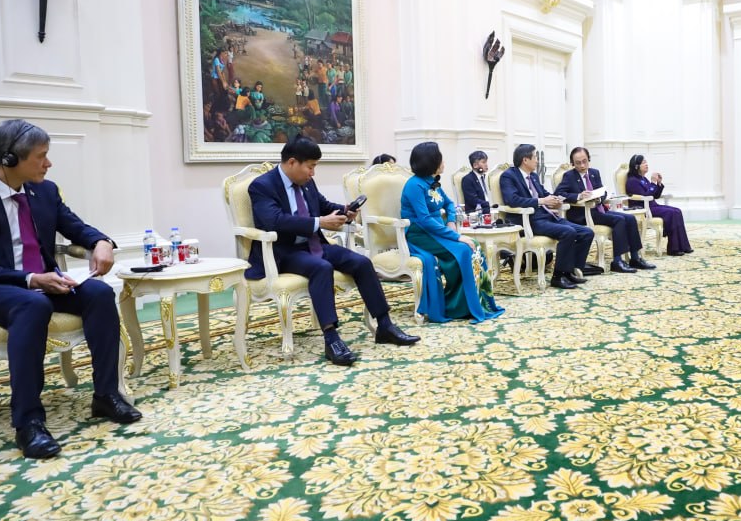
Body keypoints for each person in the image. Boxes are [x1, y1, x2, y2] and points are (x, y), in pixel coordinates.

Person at [0, 119, 140, 459]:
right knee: (33, 305)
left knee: (100, 294)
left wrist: (102, 242)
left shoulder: (44, 191)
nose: (48, 163)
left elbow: (75, 226)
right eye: (41, 156)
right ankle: (28, 422)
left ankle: (106, 395)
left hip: (42, 283)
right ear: (10, 159)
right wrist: (31, 280)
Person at [247, 136, 420, 365]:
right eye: (310, 167)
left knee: (362, 262)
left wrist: (345, 211)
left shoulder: (306, 182)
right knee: (321, 267)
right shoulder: (262, 186)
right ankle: (331, 339)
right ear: (292, 162)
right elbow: (274, 221)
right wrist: (320, 222)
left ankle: (385, 325)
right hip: (283, 252)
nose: (313, 173)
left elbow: (323, 205)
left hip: (313, 244)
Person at [401, 142, 503, 323]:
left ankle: (466, 304)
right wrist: (457, 236)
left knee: (473, 246)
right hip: (420, 234)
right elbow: (424, 220)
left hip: (437, 230)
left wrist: (450, 221)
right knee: (465, 249)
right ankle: (457, 305)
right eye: (440, 158)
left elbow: (449, 203)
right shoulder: (414, 185)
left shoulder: (432, 182)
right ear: (431, 161)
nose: (443, 162)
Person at [499, 144, 594, 289]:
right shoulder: (508, 176)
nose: (537, 160)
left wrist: (556, 200)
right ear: (525, 160)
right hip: (529, 221)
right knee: (568, 232)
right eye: (535, 157)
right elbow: (512, 200)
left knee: (587, 232)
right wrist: (541, 201)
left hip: (546, 217)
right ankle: (558, 277)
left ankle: (570, 271)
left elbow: (544, 194)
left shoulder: (533, 176)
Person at [555, 147, 655, 274]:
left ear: (589, 159)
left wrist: (599, 198)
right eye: (578, 163)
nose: (582, 165)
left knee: (630, 218)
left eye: (584, 161)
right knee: (619, 220)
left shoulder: (594, 173)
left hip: (598, 209)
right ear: (572, 163)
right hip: (583, 214)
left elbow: (603, 192)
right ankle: (617, 262)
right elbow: (558, 193)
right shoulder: (569, 176)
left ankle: (635, 258)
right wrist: (579, 196)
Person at [626, 155, 693, 255]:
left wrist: (658, 184)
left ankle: (683, 246)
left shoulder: (643, 179)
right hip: (644, 209)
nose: (646, 164)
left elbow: (655, 196)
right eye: (643, 162)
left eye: (646, 162)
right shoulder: (632, 181)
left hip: (653, 206)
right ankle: (673, 249)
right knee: (672, 213)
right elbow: (645, 196)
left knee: (677, 211)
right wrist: (653, 183)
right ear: (636, 166)